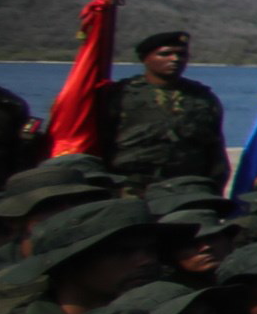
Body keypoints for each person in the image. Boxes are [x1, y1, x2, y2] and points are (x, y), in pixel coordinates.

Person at [97, 29, 228, 195]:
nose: (175, 59)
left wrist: (214, 190)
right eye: (165, 54)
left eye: (181, 54)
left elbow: (215, 152)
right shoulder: (119, 94)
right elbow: (98, 141)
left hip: (186, 188)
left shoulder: (202, 97)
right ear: (146, 58)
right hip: (129, 186)